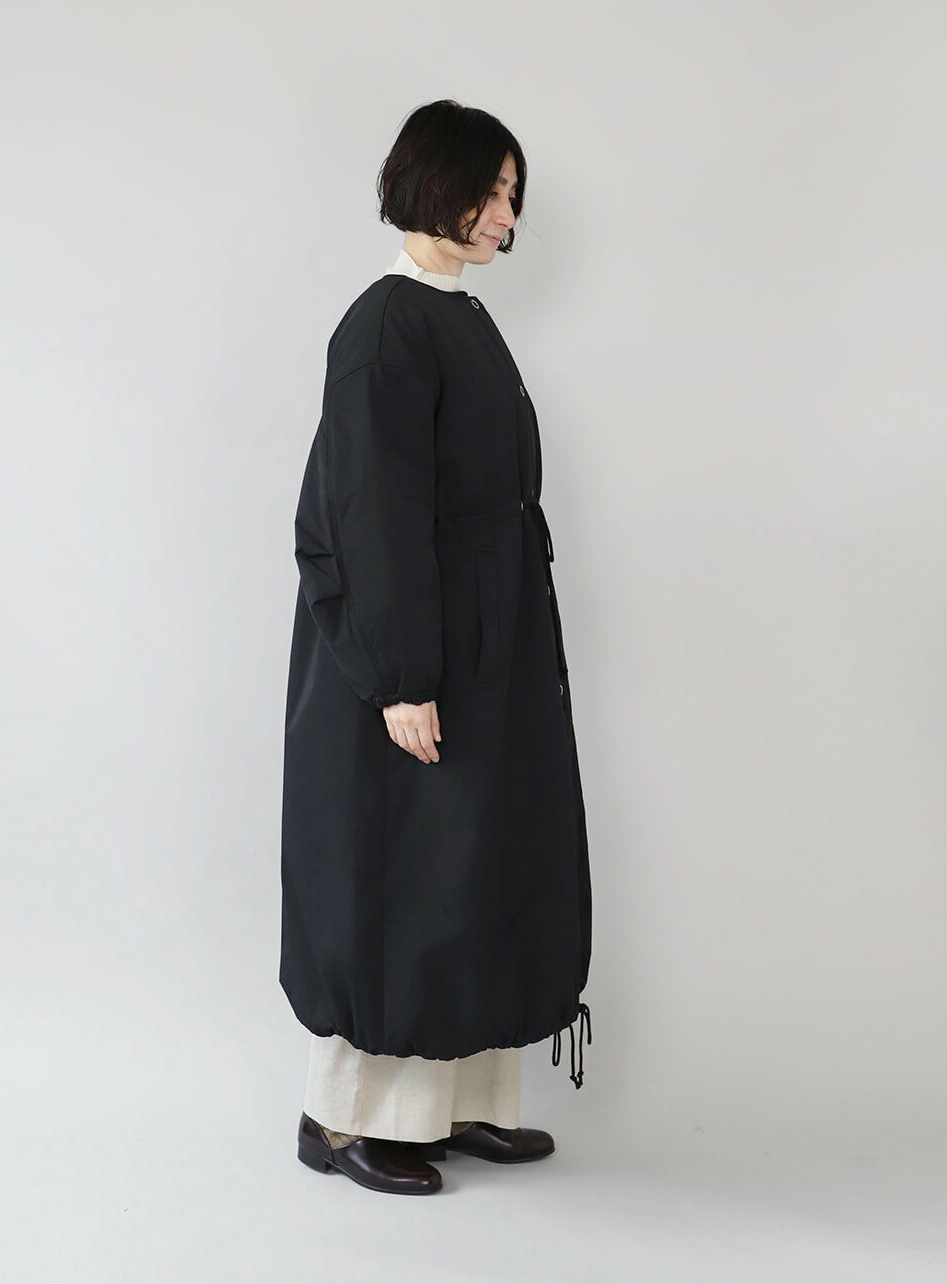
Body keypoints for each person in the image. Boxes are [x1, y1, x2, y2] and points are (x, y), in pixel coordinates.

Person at [280, 99, 593, 1196]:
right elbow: (369, 516)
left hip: (482, 645)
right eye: (490, 190)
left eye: (511, 194)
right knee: (399, 878)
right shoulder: (384, 328)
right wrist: (401, 678)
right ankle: (346, 1121)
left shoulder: (458, 313)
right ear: (434, 182)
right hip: (410, 651)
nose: (506, 214)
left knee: (469, 870)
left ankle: (454, 1107)